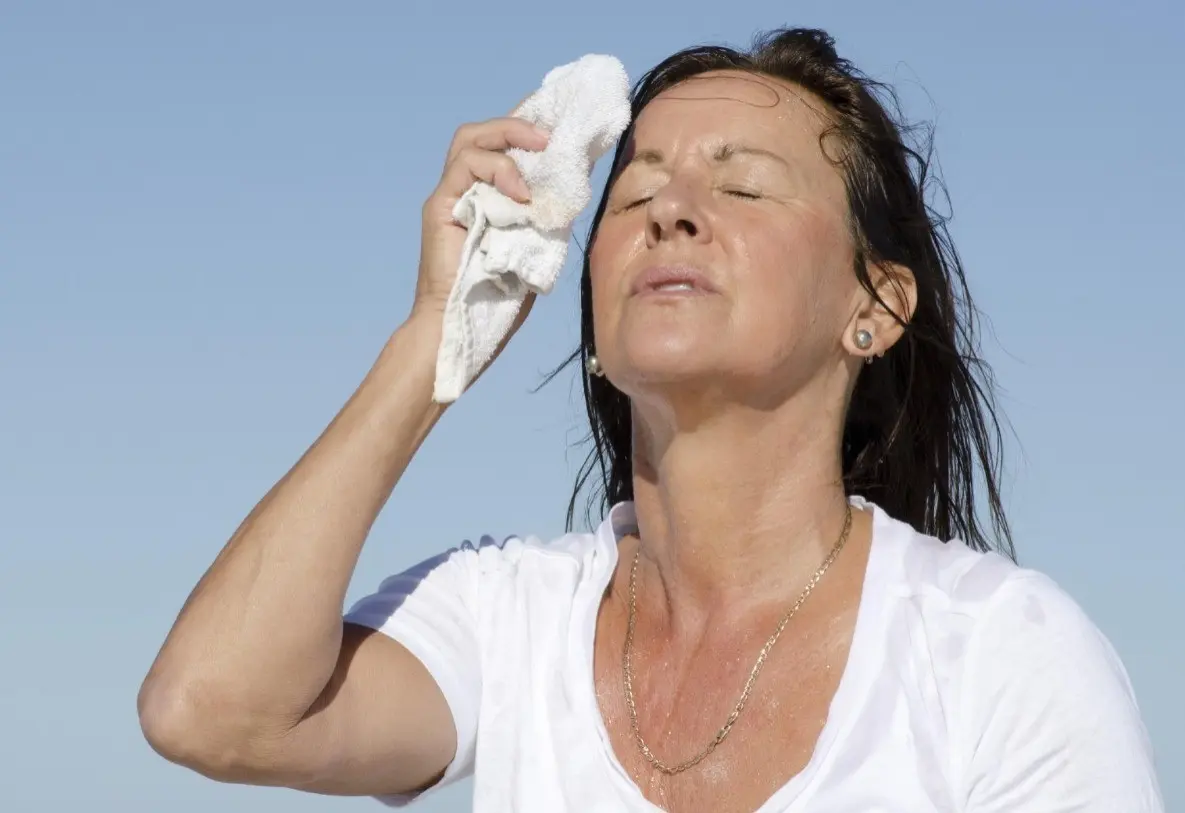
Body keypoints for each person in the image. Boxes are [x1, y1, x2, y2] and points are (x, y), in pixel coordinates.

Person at [137, 27, 1164, 812]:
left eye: (743, 186)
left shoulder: (998, 655)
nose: (671, 210)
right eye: (633, 193)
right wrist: (432, 343)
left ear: (875, 306)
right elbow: (212, 710)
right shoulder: (508, 618)